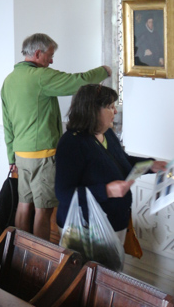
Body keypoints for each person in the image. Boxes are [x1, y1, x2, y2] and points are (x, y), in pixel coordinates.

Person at [1, 33, 110, 240]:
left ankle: (18, 254)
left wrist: (11, 157)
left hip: (21, 155)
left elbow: (7, 123)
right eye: (49, 55)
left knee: (24, 205)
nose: (51, 61)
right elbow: (76, 82)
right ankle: (40, 261)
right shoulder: (41, 77)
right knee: (44, 210)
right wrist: (103, 71)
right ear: (37, 53)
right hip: (43, 156)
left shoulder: (9, 80)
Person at [55, 83, 167, 241]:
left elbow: (122, 161)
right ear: (92, 110)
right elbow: (64, 193)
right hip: (84, 227)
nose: (115, 111)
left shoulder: (106, 133)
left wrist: (150, 165)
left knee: (112, 266)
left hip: (113, 223)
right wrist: (107, 190)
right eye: (109, 107)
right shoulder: (72, 143)